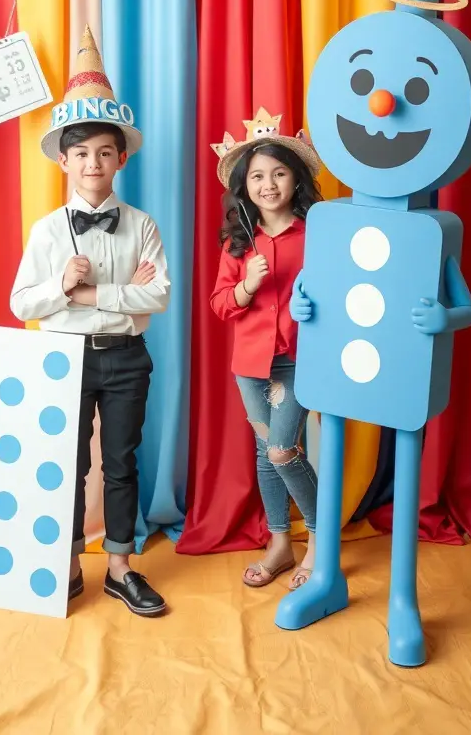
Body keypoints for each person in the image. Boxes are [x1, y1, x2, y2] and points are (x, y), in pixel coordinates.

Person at [11, 26, 170, 617]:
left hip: (127, 357)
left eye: (104, 151)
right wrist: (59, 285)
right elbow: (21, 303)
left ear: (121, 157)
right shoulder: (47, 232)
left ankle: (122, 568)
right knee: (68, 465)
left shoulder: (142, 224)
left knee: (123, 461)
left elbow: (159, 296)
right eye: (80, 153)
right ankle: (70, 562)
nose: (93, 162)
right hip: (64, 356)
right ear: (64, 162)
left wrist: (94, 291)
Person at [210, 109, 321, 589]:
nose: (268, 184)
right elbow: (220, 305)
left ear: (296, 180)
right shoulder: (238, 243)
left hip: (300, 360)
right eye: (257, 176)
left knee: (281, 450)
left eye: (279, 173)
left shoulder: (318, 233)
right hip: (250, 365)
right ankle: (280, 542)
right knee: (264, 450)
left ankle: (320, 541)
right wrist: (246, 287)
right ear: (244, 185)